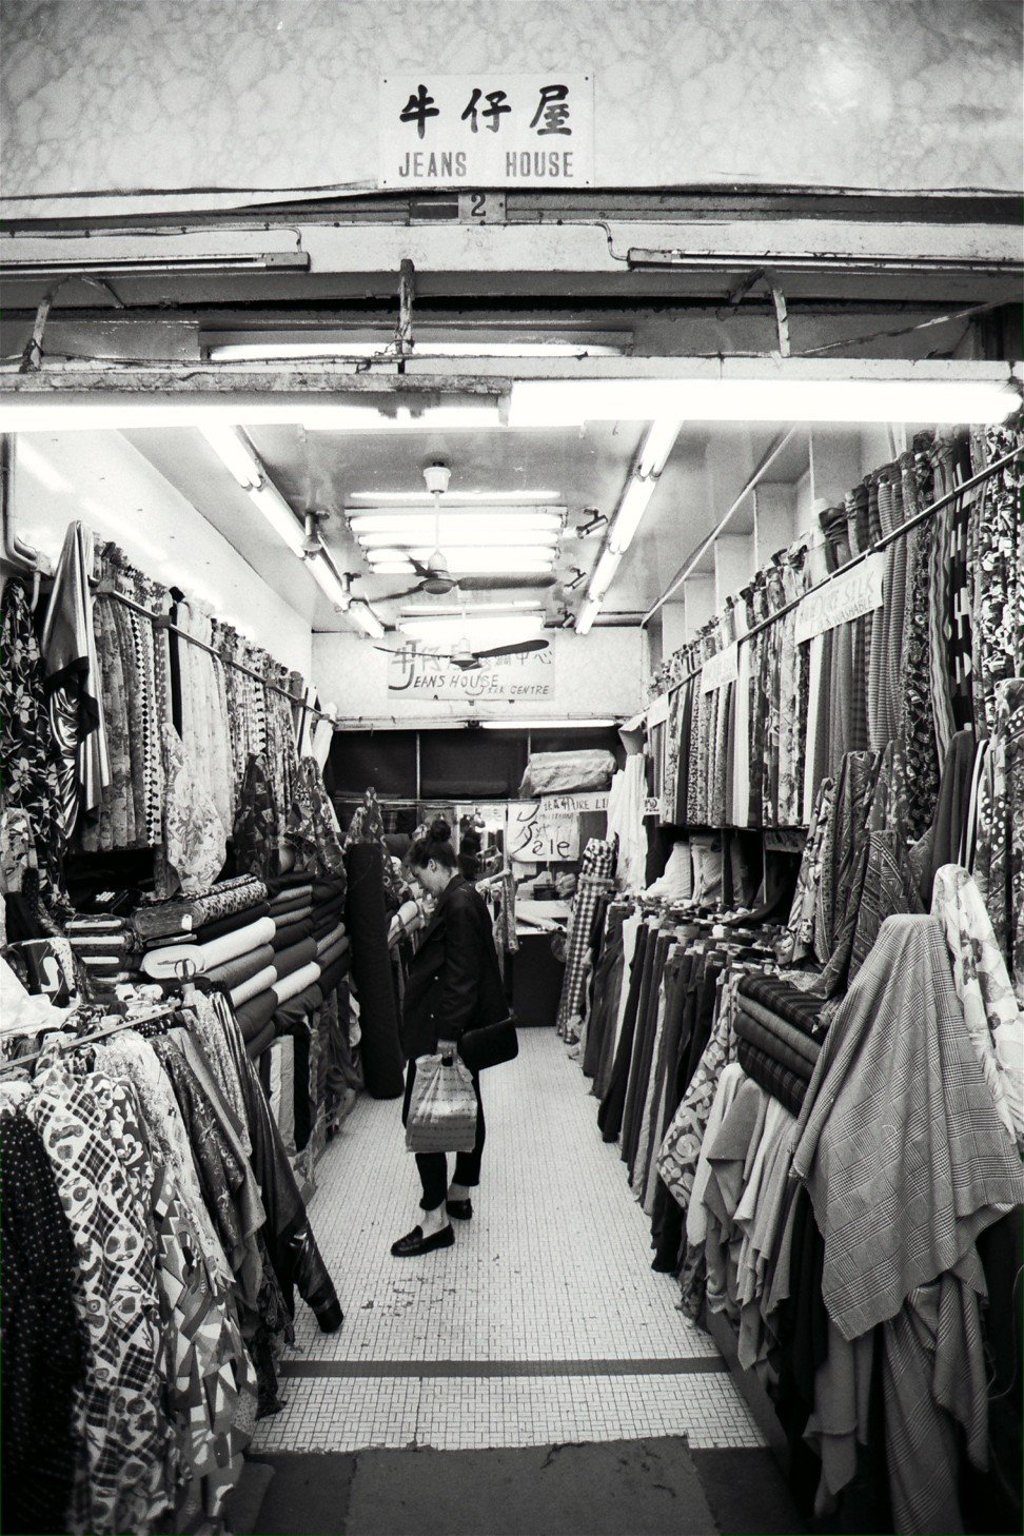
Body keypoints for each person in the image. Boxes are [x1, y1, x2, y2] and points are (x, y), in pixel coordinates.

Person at [392, 818, 506, 1257]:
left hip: (444, 1027)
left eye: (421, 878)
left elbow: (461, 975)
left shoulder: (457, 904)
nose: (423, 888)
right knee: (466, 1105)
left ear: (436, 865)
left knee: (420, 1118)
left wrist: (445, 1036)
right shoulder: (465, 897)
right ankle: (458, 1193)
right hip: (459, 1027)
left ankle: (434, 1219)